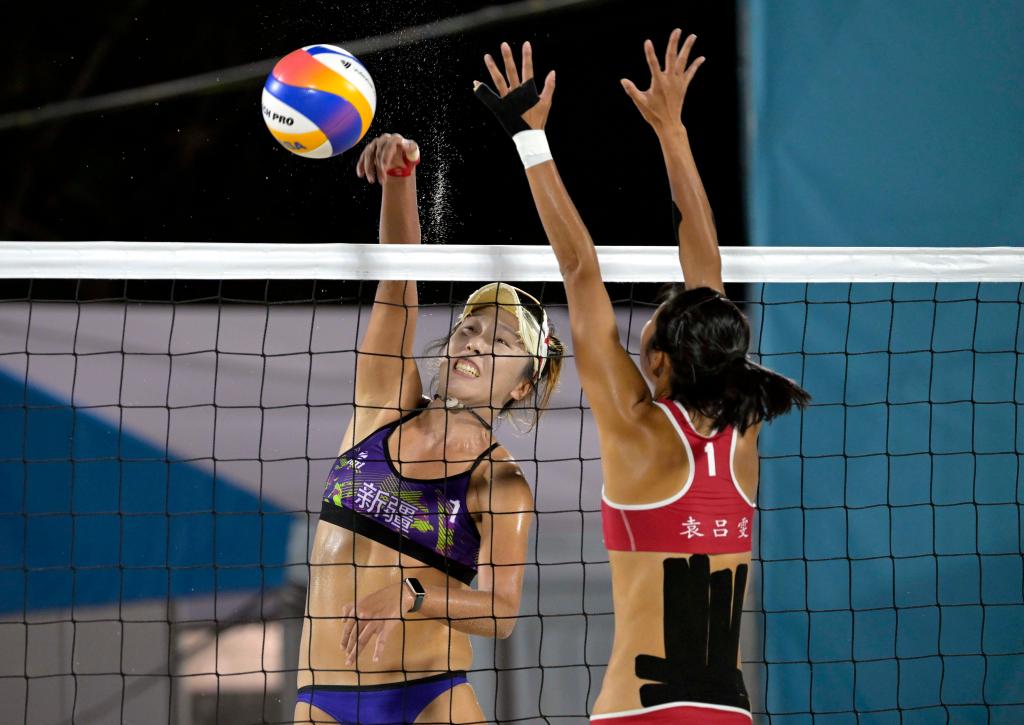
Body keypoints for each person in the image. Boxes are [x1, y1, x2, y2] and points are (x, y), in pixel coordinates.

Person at [474, 32, 809, 723]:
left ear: (658, 363)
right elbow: (704, 263)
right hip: (728, 714)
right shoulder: (742, 431)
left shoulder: (636, 427)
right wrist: (671, 129)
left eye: (645, 334)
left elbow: (581, 268)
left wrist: (531, 139)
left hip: (639, 711)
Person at [294, 133, 564, 724]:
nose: (476, 343)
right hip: (322, 698)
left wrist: (412, 595)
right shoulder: (385, 404)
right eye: (471, 328)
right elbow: (398, 281)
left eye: (502, 342)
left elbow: (501, 612)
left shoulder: (501, 483)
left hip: (430, 697)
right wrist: (400, 179)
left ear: (523, 386)